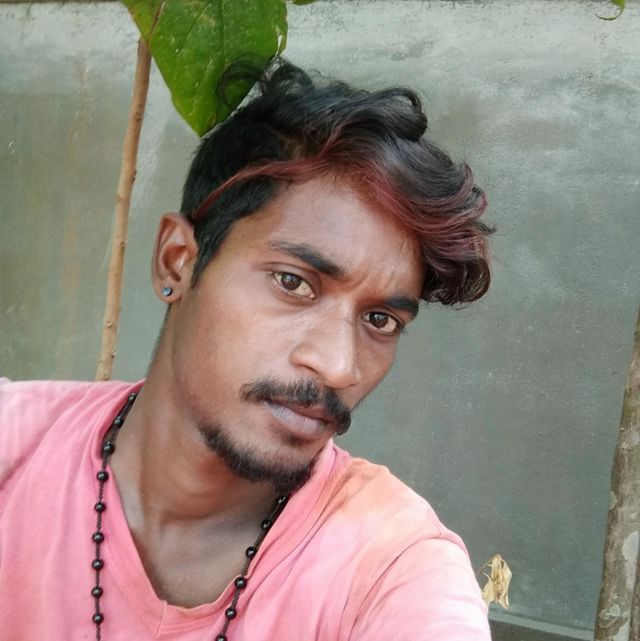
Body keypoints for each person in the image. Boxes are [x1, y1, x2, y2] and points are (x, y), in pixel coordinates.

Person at [0, 60, 493, 640]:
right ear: (177, 263)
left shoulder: (392, 566)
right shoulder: (16, 447)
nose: (338, 366)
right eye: (293, 283)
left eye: (380, 320)